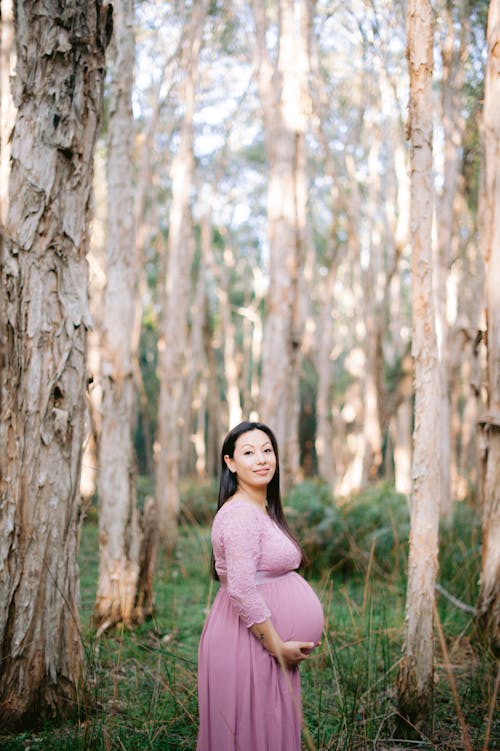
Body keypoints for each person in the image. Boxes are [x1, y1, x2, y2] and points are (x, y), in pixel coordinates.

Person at [197, 421, 324, 751]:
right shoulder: (240, 514)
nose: (261, 459)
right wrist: (277, 647)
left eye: (267, 450)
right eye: (249, 452)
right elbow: (241, 588)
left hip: (261, 643)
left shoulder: (262, 509)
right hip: (250, 643)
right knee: (250, 734)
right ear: (230, 463)